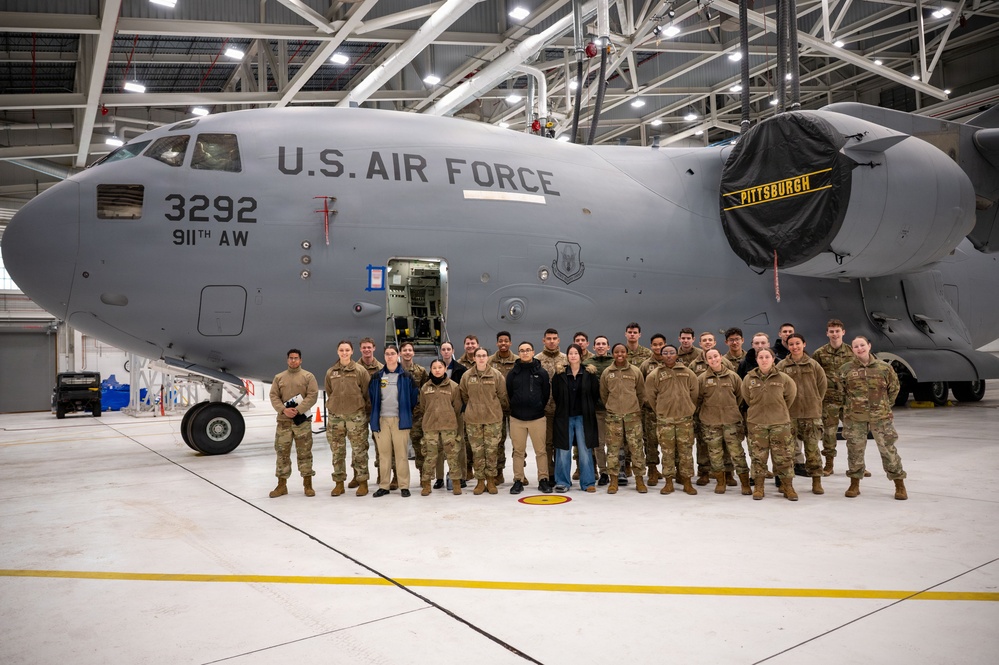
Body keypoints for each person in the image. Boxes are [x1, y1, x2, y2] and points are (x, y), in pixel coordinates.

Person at [839, 336, 908, 500]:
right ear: (852, 349)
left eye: (862, 345)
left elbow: (894, 388)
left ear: (869, 346)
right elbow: (841, 392)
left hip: (881, 417)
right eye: (856, 346)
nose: (859, 349)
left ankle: (899, 484)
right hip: (855, 418)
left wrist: (884, 405)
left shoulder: (884, 368)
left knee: (888, 449)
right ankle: (854, 483)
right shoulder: (845, 369)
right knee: (855, 450)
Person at [741, 348, 798, 500]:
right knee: (758, 457)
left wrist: (778, 409)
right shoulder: (749, 379)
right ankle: (759, 487)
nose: (764, 360)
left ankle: (788, 486)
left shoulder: (783, 378)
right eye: (761, 357)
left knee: (784, 456)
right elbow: (747, 398)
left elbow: (790, 396)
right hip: (757, 423)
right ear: (757, 360)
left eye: (767, 357)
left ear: (773, 359)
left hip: (780, 423)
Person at [776, 333, 828, 494]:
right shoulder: (782, 366)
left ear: (804, 344)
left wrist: (814, 401)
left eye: (797, 343)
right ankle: (787, 483)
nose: (795, 347)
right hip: (790, 415)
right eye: (791, 344)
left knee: (812, 450)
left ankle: (816, 481)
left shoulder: (813, 365)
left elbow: (822, 386)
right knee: (787, 451)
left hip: (811, 414)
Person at [645, 344, 700, 495]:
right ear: (661, 355)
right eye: (665, 353)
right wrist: (661, 410)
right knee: (667, 452)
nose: (669, 355)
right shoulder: (654, 375)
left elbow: (694, 394)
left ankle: (687, 482)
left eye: (671, 352)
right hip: (665, 420)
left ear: (677, 355)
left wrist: (688, 408)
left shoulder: (687, 373)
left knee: (686, 452)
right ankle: (668, 482)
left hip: (684, 419)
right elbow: (651, 397)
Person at [697, 349, 751, 495]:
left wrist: (730, 409)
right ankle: (720, 482)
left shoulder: (733, 376)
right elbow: (699, 399)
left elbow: (740, 396)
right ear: (706, 360)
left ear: (721, 357)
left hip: (731, 421)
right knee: (715, 454)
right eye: (709, 357)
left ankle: (745, 483)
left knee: (737, 453)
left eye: (715, 356)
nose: (713, 359)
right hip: (711, 422)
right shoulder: (702, 379)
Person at [369, 345, 420, 497]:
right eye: (387, 354)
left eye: (392, 353)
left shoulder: (406, 376)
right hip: (382, 420)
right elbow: (372, 396)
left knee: (401, 454)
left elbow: (413, 397)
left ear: (397, 355)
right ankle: (384, 486)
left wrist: (405, 412)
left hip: (400, 420)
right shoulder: (377, 377)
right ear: (384, 356)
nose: (390, 356)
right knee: (384, 455)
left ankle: (404, 486)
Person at [268, 349, 319, 498]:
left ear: (300, 360)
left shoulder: (308, 376)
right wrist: (283, 410)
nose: (293, 360)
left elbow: (312, 395)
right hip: (283, 422)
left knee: (305, 453)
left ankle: (308, 485)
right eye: (291, 358)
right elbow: (274, 396)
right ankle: (281, 485)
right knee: (282, 453)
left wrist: (298, 410)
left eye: (296, 358)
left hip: (301, 422)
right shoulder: (279, 378)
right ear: (287, 360)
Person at [324, 340, 372, 497]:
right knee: (337, 451)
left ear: (352, 352)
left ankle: (362, 482)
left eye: (347, 350)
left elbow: (366, 392)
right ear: (337, 352)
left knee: (359, 450)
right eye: (341, 350)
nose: (344, 353)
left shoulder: (360, 370)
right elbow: (330, 391)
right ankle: (339, 483)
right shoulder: (331, 372)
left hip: (355, 416)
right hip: (335, 417)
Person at [460, 347, 509, 495]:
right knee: (477, 452)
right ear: (474, 358)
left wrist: (493, 408)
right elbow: (464, 395)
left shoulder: (496, 375)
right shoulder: (467, 376)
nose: (481, 358)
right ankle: (480, 481)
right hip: (473, 420)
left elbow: (502, 395)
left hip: (492, 419)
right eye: (478, 356)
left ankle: (491, 480)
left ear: (488, 358)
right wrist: (473, 407)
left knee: (492, 451)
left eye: (484, 355)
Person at [552, 344, 600, 492]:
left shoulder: (589, 374)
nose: (573, 356)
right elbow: (556, 395)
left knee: (585, 449)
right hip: (564, 417)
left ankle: (588, 482)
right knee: (563, 450)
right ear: (567, 356)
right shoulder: (559, 374)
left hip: (583, 417)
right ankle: (562, 482)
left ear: (580, 355)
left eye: (576, 353)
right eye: (570, 353)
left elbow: (595, 394)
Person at [600, 343, 647, 494]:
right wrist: (612, 407)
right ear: (612, 354)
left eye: (622, 352)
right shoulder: (607, 372)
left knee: (636, 448)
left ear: (627, 353)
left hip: (632, 416)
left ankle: (639, 479)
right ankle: (613, 480)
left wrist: (633, 407)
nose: (619, 354)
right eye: (616, 352)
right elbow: (604, 394)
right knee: (613, 449)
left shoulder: (635, 371)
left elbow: (641, 393)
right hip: (613, 417)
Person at [506, 341, 552, 494]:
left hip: (537, 418)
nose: (525, 353)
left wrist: (537, 406)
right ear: (518, 353)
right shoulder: (513, 373)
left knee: (541, 451)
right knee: (518, 451)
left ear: (533, 352)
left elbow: (545, 394)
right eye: (522, 350)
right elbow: (509, 393)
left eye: (528, 350)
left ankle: (543, 479)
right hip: (517, 419)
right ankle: (518, 480)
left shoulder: (542, 373)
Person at [811, 319, 855, 476]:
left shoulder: (852, 352)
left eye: (837, 331)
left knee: (854, 433)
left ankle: (856, 465)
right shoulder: (819, 353)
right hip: (829, 400)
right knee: (829, 434)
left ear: (843, 332)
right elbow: (814, 376)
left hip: (849, 400)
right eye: (832, 331)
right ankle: (829, 464)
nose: (835, 334)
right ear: (827, 333)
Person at [420, 359, 464, 495]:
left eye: (440, 367)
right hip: (430, 426)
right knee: (430, 456)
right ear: (431, 370)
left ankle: (456, 483)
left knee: (452, 455)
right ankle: (426, 484)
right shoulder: (425, 387)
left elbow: (457, 407)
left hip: (448, 426)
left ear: (445, 369)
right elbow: (423, 406)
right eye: (434, 368)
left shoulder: (453, 386)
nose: (437, 370)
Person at [535, 328, 567, 483]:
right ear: (544, 340)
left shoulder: (566, 359)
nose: (552, 341)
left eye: (554, 338)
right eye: (549, 338)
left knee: (561, 443)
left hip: (562, 408)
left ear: (558, 340)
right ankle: (549, 473)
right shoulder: (537, 360)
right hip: (545, 409)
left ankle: (561, 473)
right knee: (546, 443)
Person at [434, 341, 467, 488]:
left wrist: (460, 409)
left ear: (453, 351)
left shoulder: (461, 370)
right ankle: (439, 477)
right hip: (439, 414)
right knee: (439, 445)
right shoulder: (435, 369)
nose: (446, 351)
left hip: (456, 412)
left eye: (448, 349)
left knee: (459, 443)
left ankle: (462, 476)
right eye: (443, 349)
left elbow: (464, 392)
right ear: (441, 351)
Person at [584, 335, 614, 485]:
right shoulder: (587, 364)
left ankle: (616, 471)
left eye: (603, 344)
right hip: (597, 410)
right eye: (598, 344)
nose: (601, 346)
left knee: (615, 443)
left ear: (608, 347)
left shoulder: (615, 362)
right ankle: (603, 472)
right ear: (594, 347)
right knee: (599, 443)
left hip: (614, 410)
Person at [353, 337, 383, 489]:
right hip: (359, 411)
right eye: (364, 347)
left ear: (374, 348)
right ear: (360, 349)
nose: (366, 350)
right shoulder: (354, 368)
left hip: (377, 411)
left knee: (380, 444)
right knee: (358, 444)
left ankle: (381, 473)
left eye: (369, 347)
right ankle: (357, 475)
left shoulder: (381, 368)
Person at [638, 333, 667, 486]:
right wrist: (645, 402)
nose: (658, 347)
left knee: (669, 442)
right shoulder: (645, 365)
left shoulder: (671, 362)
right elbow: (640, 386)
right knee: (650, 441)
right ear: (651, 346)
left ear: (665, 345)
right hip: (650, 411)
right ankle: (652, 470)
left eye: (660, 344)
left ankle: (671, 470)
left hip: (668, 410)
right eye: (655, 344)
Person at [489, 331, 517, 484]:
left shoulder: (517, 361)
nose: (503, 343)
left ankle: (520, 473)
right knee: (498, 441)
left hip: (515, 407)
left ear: (510, 343)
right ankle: (498, 472)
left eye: (506, 341)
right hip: (496, 408)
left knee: (517, 442)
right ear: (497, 343)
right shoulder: (489, 361)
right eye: (500, 341)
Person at [399, 342, 430, 484]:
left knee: (419, 446)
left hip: (416, 415)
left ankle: (424, 475)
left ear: (413, 353)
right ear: (400, 353)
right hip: (398, 414)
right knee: (397, 448)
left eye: (409, 350)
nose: (407, 352)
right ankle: (396, 477)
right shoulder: (393, 370)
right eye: (404, 350)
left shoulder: (420, 371)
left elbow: (426, 390)